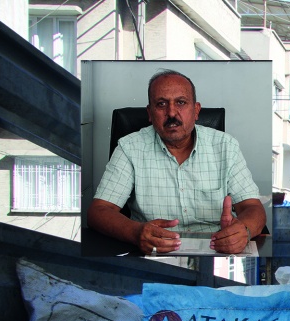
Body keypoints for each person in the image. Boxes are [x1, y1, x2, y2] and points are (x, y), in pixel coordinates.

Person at [87, 69, 266, 255]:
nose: (171, 112)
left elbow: (253, 207)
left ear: (196, 110)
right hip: (153, 250)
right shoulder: (130, 147)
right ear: (150, 113)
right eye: (161, 104)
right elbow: (98, 211)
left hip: (217, 248)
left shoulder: (225, 146)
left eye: (181, 102)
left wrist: (243, 230)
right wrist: (136, 232)